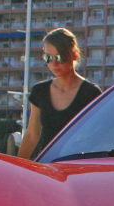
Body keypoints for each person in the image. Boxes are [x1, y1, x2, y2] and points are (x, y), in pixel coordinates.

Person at [18, 28, 102, 160]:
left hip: (76, 167)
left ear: (74, 55)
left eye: (59, 57)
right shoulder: (40, 91)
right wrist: (18, 167)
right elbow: (32, 135)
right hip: (43, 167)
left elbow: (97, 138)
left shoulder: (91, 93)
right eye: (48, 58)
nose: (53, 63)